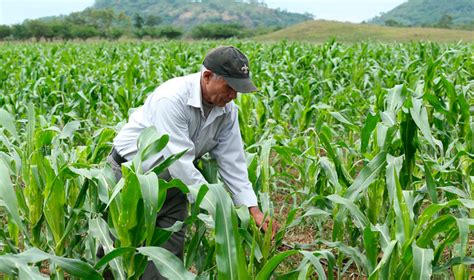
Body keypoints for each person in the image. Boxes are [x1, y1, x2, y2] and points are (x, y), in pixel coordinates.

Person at [108, 46, 279, 279]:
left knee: (166, 258)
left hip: (174, 185)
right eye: (229, 87)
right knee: (118, 256)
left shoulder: (227, 111)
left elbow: (233, 163)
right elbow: (179, 162)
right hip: (132, 179)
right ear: (207, 76)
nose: (233, 96)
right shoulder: (171, 98)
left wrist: (252, 209)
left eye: (238, 90)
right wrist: (218, 209)